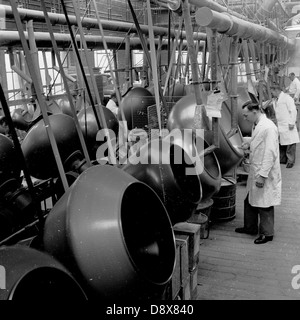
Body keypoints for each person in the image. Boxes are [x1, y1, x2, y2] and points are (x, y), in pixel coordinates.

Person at [235, 102, 282, 244]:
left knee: (264, 203)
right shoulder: (258, 124)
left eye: (245, 115)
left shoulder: (268, 127)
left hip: (264, 171)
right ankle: (250, 227)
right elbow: (259, 141)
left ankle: (267, 234)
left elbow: (270, 153)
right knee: (250, 199)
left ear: (255, 111)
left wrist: (262, 176)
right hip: (256, 168)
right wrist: (249, 143)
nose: (244, 118)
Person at [270, 84, 299, 168]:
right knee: (281, 143)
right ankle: (283, 159)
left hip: (288, 124)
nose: (272, 94)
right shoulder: (276, 99)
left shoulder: (287, 98)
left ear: (276, 90)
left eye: (272, 92)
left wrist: (291, 123)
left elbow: (293, 110)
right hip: (280, 124)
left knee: (290, 143)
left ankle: (291, 161)